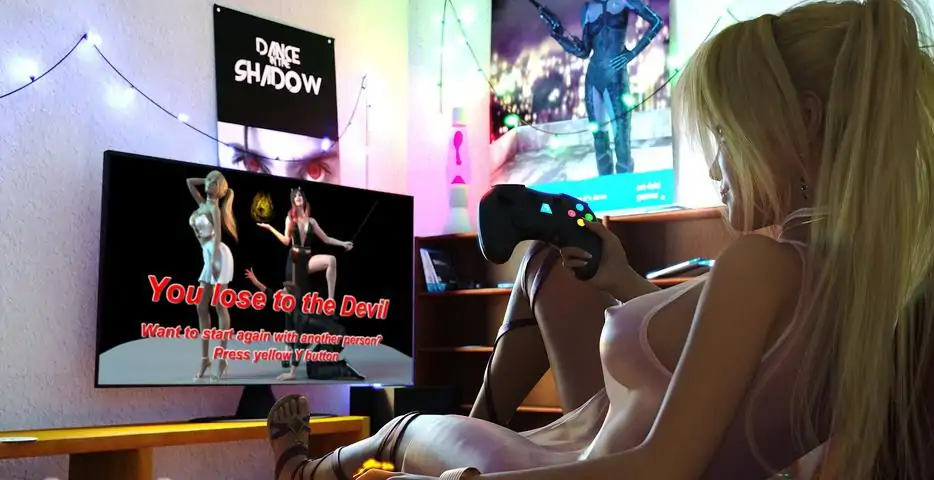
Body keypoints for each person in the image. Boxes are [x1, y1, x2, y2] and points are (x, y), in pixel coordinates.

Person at [264, 0, 934, 479]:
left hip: (585, 459)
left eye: (727, 137)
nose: (716, 166)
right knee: (548, 262)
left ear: (804, 123)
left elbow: (660, 466)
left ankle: (306, 469)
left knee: (402, 430)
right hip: (594, 435)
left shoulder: (762, 264)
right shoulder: (853, 281)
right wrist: (620, 281)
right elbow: (727, 373)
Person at [539, 0, 663, 175]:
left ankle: (625, 185)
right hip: (593, 78)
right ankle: (605, 184)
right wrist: (558, 33)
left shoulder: (624, 1)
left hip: (616, 77)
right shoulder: (587, 9)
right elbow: (584, 51)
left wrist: (632, 53)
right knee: (599, 138)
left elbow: (657, 22)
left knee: (621, 137)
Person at [187, 170, 238, 381]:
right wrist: (209, 179)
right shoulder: (202, 204)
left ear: (221, 189)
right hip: (207, 255)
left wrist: (211, 264)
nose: (208, 184)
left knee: (219, 306)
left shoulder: (214, 209)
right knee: (201, 306)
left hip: (218, 256)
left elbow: (217, 237)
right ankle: (205, 358)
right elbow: (189, 181)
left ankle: (222, 359)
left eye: (214, 182)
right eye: (208, 180)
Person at [258, 188, 353, 300]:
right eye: (295, 196)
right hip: (295, 261)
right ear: (293, 201)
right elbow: (286, 241)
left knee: (331, 260)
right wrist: (270, 228)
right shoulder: (290, 219)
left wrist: (343, 244)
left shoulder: (312, 221)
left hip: (307, 259)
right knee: (288, 295)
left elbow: (326, 239)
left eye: (299, 195)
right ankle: (272, 293)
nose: (297, 197)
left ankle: (330, 300)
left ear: (303, 198)